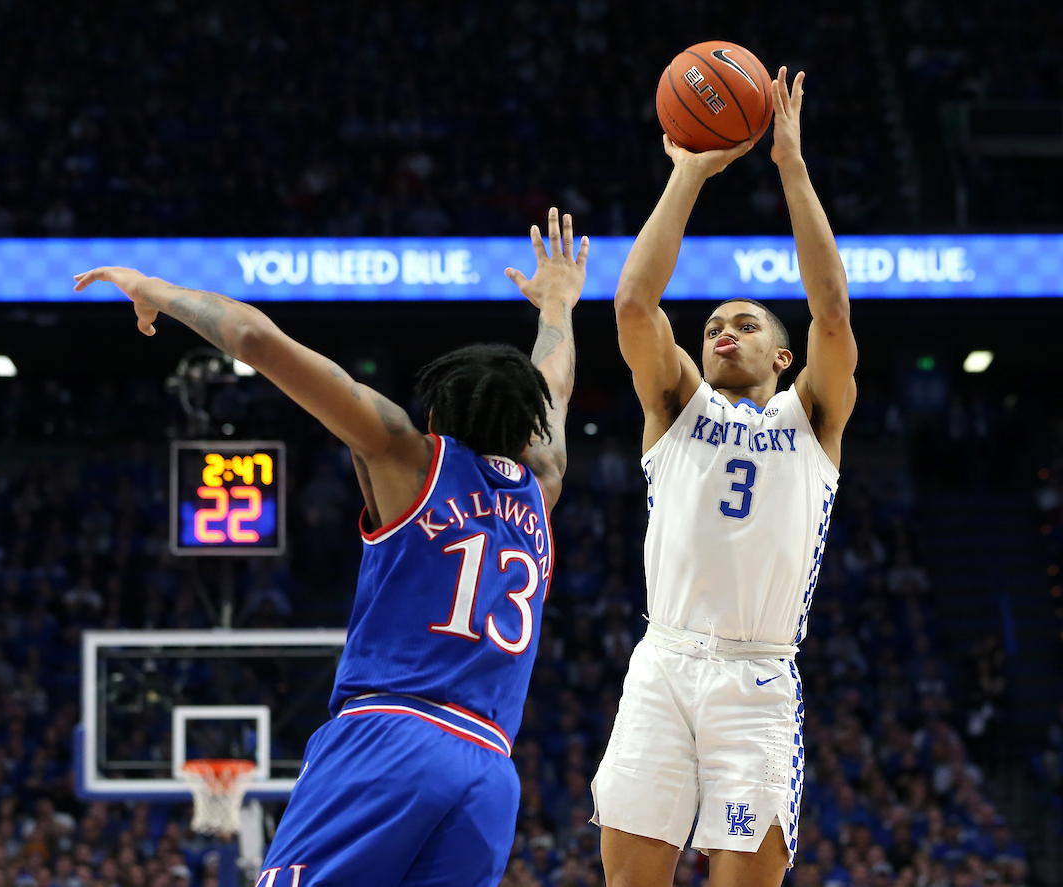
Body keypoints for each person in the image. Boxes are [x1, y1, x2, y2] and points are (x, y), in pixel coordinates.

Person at [74, 208, 588, 887]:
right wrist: (558, 302)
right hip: (490, 767)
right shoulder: (539, 487)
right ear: (528, 432)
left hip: (390, 736)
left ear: (436, 416)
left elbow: (255, 337)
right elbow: (553, 381)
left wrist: (155, 290)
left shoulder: (405, 454)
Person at [592, 68, 857, 887]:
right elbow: (634, 305)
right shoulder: (675, 404)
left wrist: (791, 167)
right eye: (712, 325)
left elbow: (833, 314)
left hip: (757, 678)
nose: (722, 332)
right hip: (664, 661)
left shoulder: (811, 416)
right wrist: (687, 171)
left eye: (745, 323)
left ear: (783, 356)